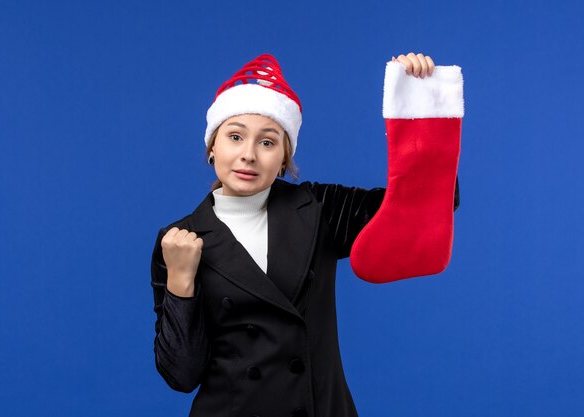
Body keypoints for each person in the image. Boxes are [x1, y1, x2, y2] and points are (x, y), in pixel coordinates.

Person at [150, 52, 461, 417]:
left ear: (284, 157)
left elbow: (423, 204)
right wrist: (180, 281)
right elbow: (182, 374)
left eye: (267, 142)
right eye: (235, 136)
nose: (248, 155)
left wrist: (418, 103)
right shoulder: (178, 240)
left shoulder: (317, 208)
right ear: (212, 146)